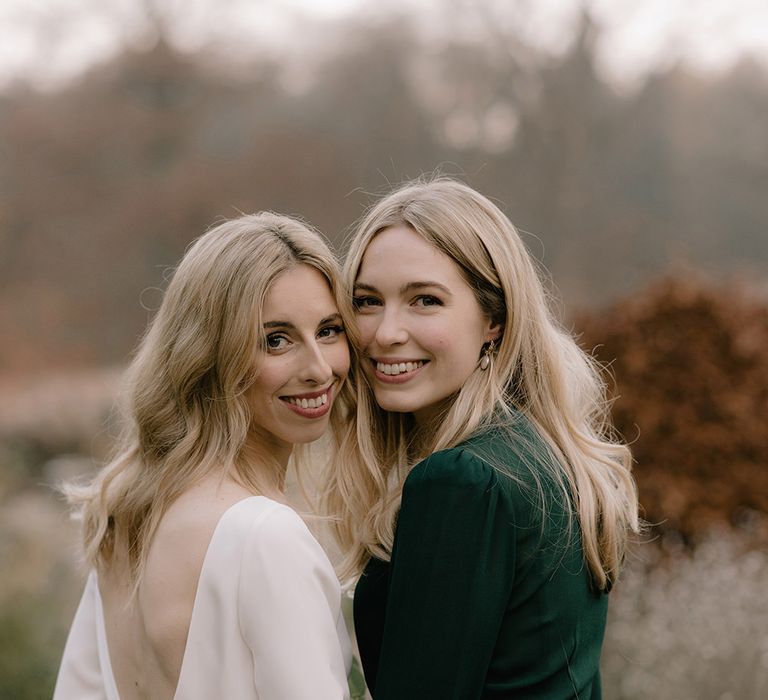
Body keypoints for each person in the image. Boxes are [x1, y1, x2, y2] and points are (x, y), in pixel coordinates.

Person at [323, 178, 640, 699]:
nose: (384, 333)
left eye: (425, 300)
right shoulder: (540, 456)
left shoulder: (464, 482)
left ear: (493, 318)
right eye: (367, 301)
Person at [54, 213, 353, 700]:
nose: (320, 369)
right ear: (210, 355)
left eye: (328, 330)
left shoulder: (127, 518)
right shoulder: (263, 536)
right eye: (275, 339)